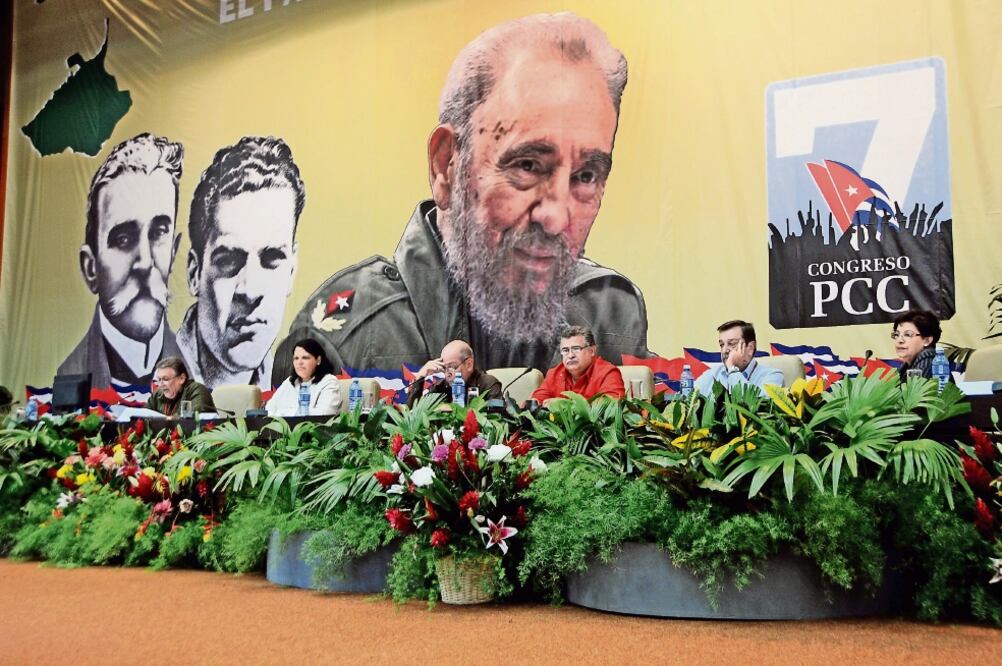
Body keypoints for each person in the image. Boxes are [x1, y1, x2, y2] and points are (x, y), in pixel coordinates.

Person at [273, 12, 650, 386]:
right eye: (528, 165)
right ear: (446, 166)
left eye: (585, 176)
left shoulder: (611, 310)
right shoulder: (339, 337)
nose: (556, 217)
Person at [177, 136, 304, 391]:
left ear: (291, 271)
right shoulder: (158, 374)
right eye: (229, 261)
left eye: (272, 259)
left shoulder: (287, 390)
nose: (251, 290)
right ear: (194, 272)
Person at [59, 133, 185, 389]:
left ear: (173, 252)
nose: (145, 262)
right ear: (90, 267)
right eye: (123, 239)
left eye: (159, 232)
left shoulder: (193, 373)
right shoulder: (69, 376)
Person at [531, 326, 625, 404]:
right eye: (565, 350)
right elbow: (538, 399)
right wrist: (533, 403)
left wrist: (565, 405)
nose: (570, 355)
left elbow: (611, 406)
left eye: (576, 349)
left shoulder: (608, 373)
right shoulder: (554, 373)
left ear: (591, 351)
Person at [694, 320, 785, 397]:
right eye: (722, 344)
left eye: (732, 344)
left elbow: (754, 408)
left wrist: (732, 369)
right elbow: (687, 401)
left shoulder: (773, 376)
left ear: (750, 348)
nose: (724, 350)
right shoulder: (712, 374)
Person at [406, 340, 502, 407]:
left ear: (469, 364)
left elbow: (499, 420)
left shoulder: (489, 384)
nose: (447, 374)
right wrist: (420, 376)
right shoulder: (441, 387)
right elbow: (414, 416)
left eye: (452, 367)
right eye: (444, 368)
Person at [267, 338, 342, 416]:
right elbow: (269, 409)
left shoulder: (329, 381)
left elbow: (325, 413)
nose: (299, 362)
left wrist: (284, 413)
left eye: (305, 358)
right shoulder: (289, 381)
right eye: (296, 358)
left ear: (318, 360)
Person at [145, 357, 215, 417]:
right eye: (159, 379)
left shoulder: (197, 390)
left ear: (182, 378)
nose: (160, 384)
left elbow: (193, 420)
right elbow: (144, 416)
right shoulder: (157, 395)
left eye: (165, 379)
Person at [892, 309, 941, 382]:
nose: (900, 340)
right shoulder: (906, 365)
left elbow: (913, 392)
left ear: (927, 340)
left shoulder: (928, 358)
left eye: (908, 334)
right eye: (897, 334)